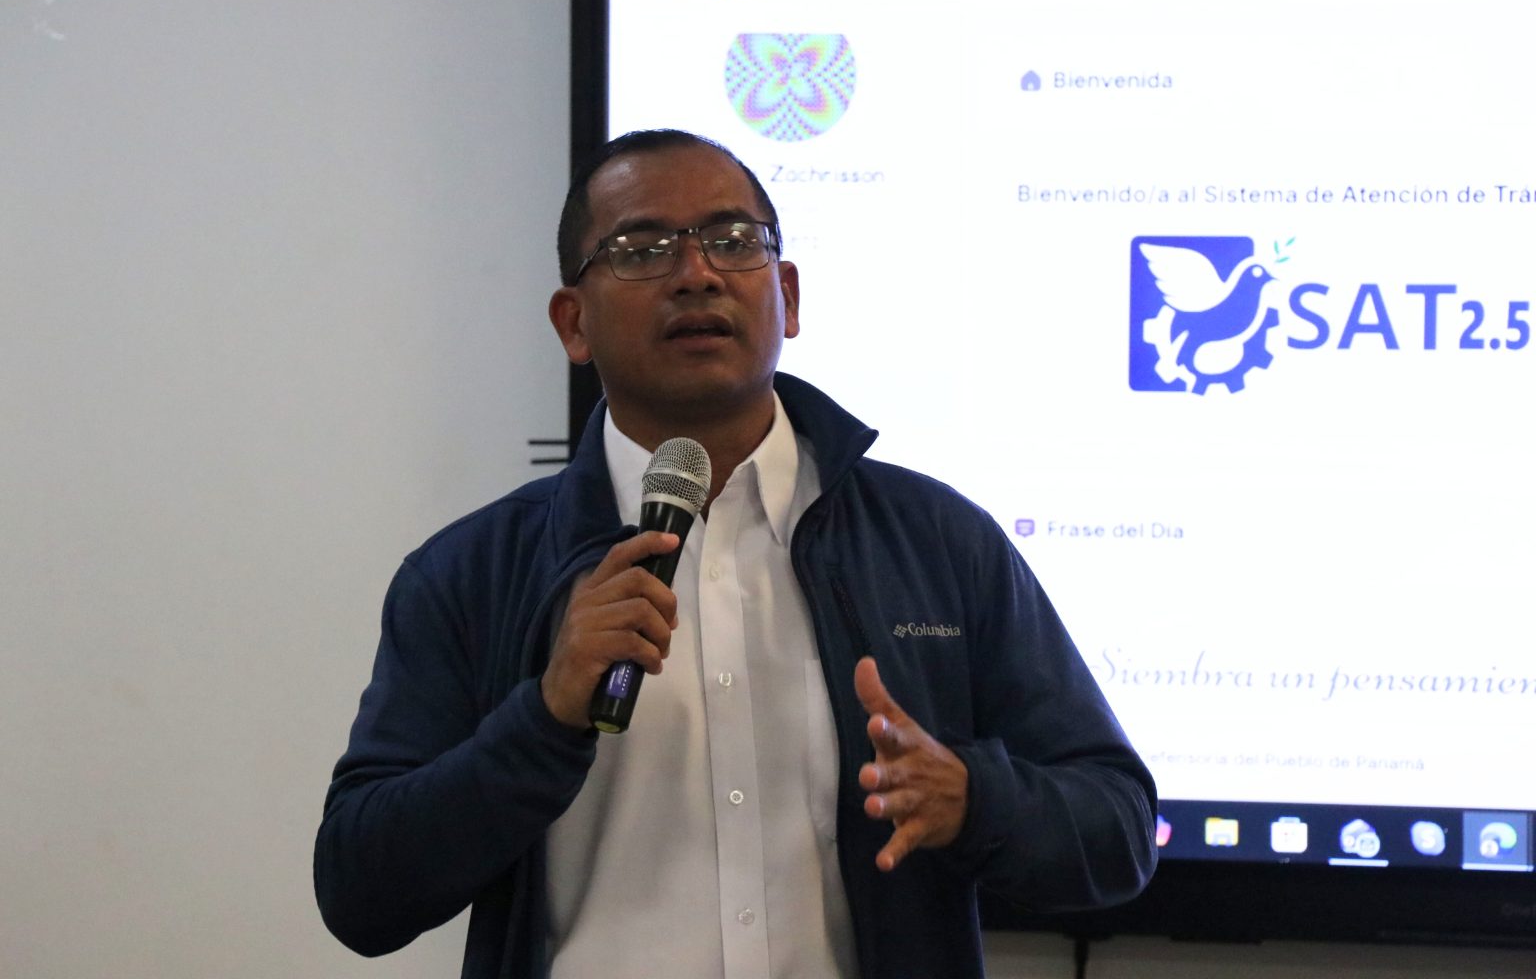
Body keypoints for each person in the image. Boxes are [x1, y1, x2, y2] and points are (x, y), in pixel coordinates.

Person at [314, 129, 1157, 979]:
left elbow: (1119, 827)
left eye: (731, 240)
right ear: (574, 324)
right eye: (642, 249)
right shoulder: (472, 575)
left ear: (786, 296)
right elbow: (360, 893)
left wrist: (975, 801)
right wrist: (542, 718)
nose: (697, 273)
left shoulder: (937, 542)